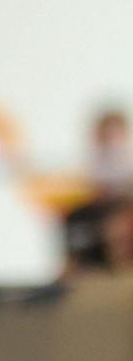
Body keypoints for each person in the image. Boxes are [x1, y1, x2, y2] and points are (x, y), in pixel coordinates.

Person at [60, 105, 131, 277]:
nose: (110, 147)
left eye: (115, 139)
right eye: (104, 139)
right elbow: (70, 268)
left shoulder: (129, 213)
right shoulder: (76, 216)